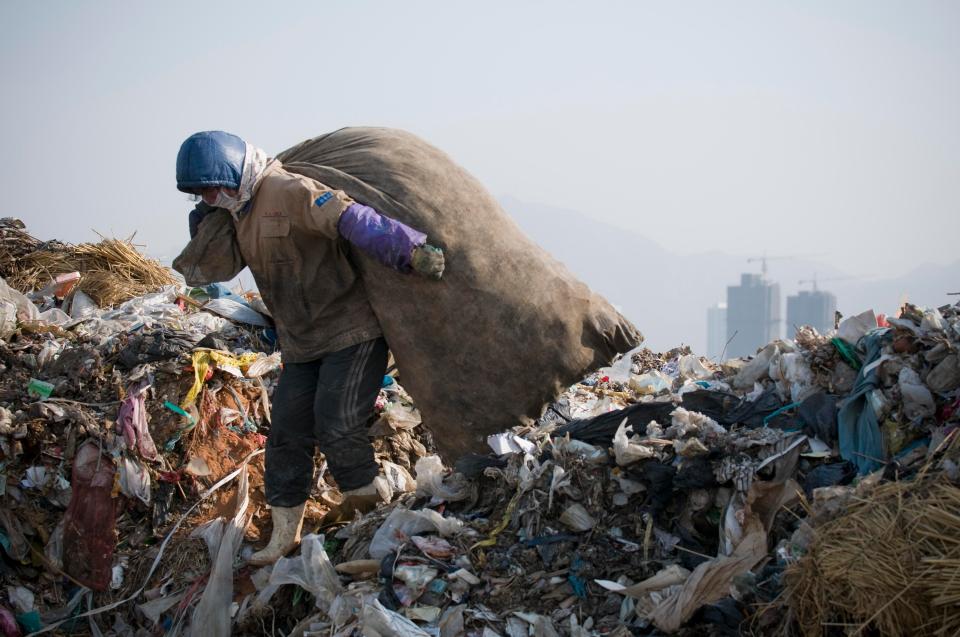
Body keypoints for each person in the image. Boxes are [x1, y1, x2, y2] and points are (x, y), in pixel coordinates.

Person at [175, 131, 445, 565]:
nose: (208, 198)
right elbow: (213, 267)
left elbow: (351, 219)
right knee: (285, 434)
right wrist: (205, 222)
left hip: (350, 332)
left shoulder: (287, 190)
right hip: (300, 344)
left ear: (229, 172)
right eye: (199, 194)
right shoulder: (236, 214)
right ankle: (283, 536)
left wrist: (408, 250)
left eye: (209, 188)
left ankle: (375, 512)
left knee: (336, 423)